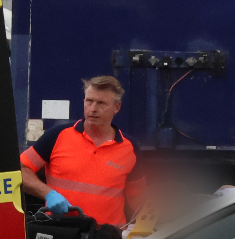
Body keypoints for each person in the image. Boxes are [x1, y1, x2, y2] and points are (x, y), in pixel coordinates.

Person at [21, 75, 146, 228]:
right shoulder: (59, 135)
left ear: (117, 107)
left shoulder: (130, 148)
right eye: (89, 101)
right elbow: (21, 169)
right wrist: (48, 194)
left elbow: (138, 200)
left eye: (101, 103)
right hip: (60, 233)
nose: (93, 109)